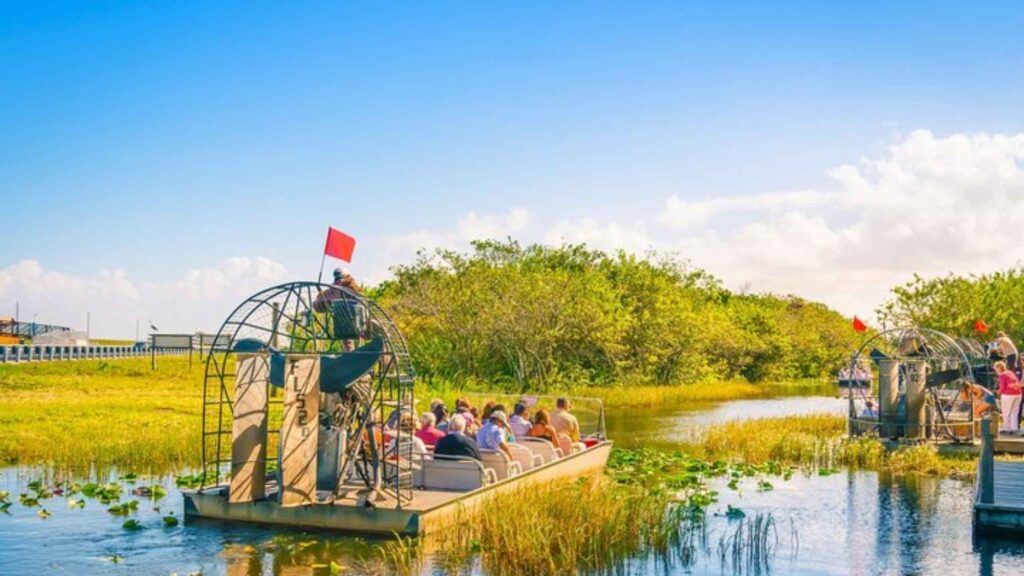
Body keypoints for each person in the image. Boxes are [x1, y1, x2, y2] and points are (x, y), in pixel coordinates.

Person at [995, 361, 1022, 435]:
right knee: (1014, 412)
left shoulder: (1002, 375)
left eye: (996, 369)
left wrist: (997, 392)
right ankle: (1014, 428)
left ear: (999, 368)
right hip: (1018, 394)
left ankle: (1007, 429)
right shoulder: (1010, 372)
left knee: (1006, 412)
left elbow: (1003, 387)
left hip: (1008, 395)